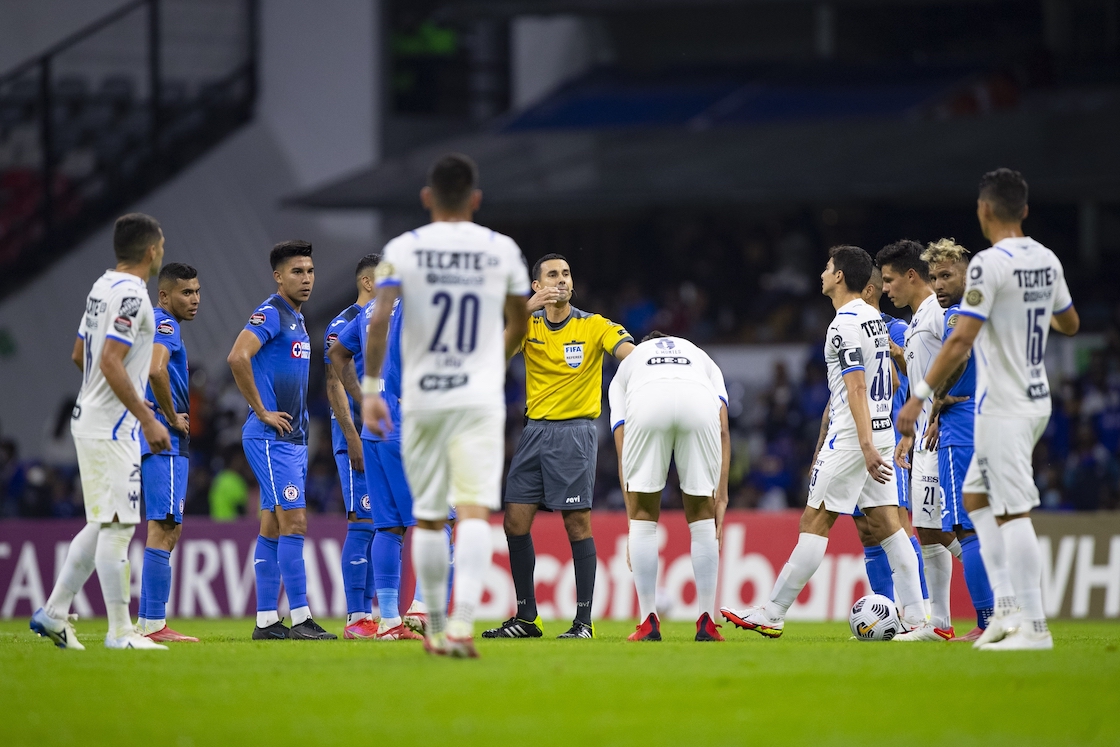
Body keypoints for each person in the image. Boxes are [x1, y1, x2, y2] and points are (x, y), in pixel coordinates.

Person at [897, 169, 1079, 650]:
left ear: (984, 211)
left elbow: (960, 342)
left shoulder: (989, 266)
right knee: (976, 502)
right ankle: (1003, 613)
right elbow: (1069, 322)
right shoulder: (1047, 260)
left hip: (1004, 401)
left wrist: (918, 398)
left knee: (1011, 512)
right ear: (1024, 210)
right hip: (1033, 395)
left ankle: (1034, 629)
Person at [362, 153, 530, 658]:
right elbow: (520, 321)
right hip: (477, 396)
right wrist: (491, 363)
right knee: (474, 510)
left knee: (431, 516)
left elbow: (377, 320)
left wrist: (370, 388)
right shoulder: (502, 249)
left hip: (422, 397)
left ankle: (433, 627)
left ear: (427, 198)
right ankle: (460, 625)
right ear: (476, 199)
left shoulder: (403, 248)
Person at [720, 245, 930, 638]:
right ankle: (918, 618)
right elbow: (897, 378)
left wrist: (865, 446)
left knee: (815, 521)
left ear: (839, 277)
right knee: (889, 526)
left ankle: (773, 611)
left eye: (827, 267)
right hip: (881, 432)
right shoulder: (875, 321)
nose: (821, 273)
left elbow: (855, 387)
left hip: (854, 438)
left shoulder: (843, 325)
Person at [31, 212, 171, 651]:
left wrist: (121, 394)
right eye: (161, 245)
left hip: (93, 416)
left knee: (104, 520)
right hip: (113, 428)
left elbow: (81, 354)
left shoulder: (101, 286)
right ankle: (120, 632)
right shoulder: (132, 296)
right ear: (151, 251)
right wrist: (145, 416)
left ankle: (53, 613)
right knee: (118, 527)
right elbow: (109, 360)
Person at [483, 253, 635, 640]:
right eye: (553, 275)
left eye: (566, 274)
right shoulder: (528, 326)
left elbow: (628, 354)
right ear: (537, 286)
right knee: (514, 522)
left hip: (574, 433)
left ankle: (583, 623)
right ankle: (526, 617)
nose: (562, 280)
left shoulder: (593, 325)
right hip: (533, 433)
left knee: (576, 522)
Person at [227, 240, 335, 640]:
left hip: (292, 440)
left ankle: (266, 622)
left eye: (309, 271)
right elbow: (238, 356)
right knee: (296, 520)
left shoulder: (298, 319)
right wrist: (261, 410)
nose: (306, 279)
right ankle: (302, 616)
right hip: (272, 437)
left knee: (272, 524)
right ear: (278, 276)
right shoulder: (271, 312)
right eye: (297, 272)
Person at [330, 256, 429, 642]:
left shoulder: (371, 309)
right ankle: (423, 607)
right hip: (407, 428)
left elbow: (338, 354)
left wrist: (367, 396)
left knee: (388, 527)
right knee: (437, 522)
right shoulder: (419, 305)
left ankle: (388, 622)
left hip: (374, 430)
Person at [608, 331, 730, 642]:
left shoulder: (630, 364)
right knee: (703, 517)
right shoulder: (700, 355)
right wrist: (722, 495)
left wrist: (631, 517)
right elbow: (724, 429)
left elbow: (622, 442)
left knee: (644, 518)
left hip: (649, 402)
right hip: (698, 404)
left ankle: (648, 620)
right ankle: (706, 620)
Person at [877, 239, 956, 641]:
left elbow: (961, 361)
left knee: (951, 527)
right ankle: (938, 625)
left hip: (943, 434)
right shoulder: (915, 321)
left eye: (890, 280)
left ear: (911, 276)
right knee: (925, 528)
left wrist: (944, 407)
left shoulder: (939, 315)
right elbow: (921, 373)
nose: (885, 289)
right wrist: (908, 430)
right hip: (921, 437)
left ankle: (999, 586)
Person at [922, 237, 995, 642]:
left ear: (968, 272)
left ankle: (987, 622)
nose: (938, 285)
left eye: (947, 275)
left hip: (962, 428)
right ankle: (1012, 613)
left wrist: (935, 402)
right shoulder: (989, 309)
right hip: (993, 422)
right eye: (934, 277)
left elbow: (960, 356)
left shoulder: (958, 318)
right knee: (995, 525)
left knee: (968, 530)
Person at [848, 267, 927, 606]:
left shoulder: (899, 330)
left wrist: (909, 433)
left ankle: (923, 608)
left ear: (869, 291)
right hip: (853, 441)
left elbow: (915, 379)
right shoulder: (848, 328)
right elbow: (842, 393)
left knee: (896, 525)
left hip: (890, 439)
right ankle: (886, 610)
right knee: (868, 529)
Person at [137, 262, 201, 643]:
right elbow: (156, 369)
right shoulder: (166, 325)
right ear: (164, 295)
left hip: (156, 440)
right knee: (166, 528)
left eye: (196, 292)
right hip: (167, 443)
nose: (194, 300)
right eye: (186, 293)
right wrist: (170, 415)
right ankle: (154, 624)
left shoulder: (156, 323)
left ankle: (148, 623)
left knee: (161, 527)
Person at [324, 255, 380, 639]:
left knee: (380, 526)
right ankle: (355, 616)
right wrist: (351, 435)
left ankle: (369, 613)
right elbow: (333, 383)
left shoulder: (385, 323)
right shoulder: (342, 324)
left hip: (382, 435)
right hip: (356, 437)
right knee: (361, 523)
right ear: (367, 282)